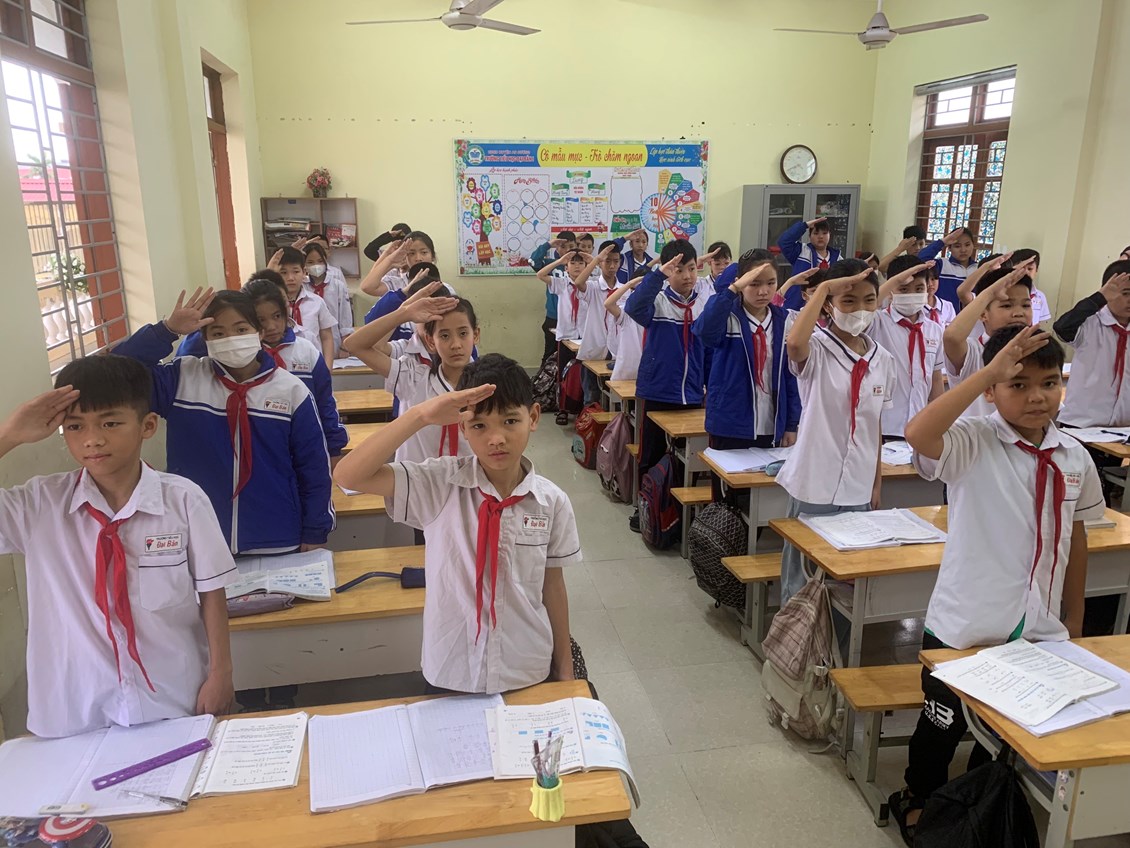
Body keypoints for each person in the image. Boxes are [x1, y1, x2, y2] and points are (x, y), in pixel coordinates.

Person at [888, 326, 1105, 845]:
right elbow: (918, 433)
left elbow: (1076, 541)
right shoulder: (973, 440)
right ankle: (919, 798)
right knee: (941, 726)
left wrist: (1074, 618)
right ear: (991, 391)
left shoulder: (1074, 456)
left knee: (1005, 733)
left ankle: (979, 803)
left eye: (1049, 383)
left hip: (1039, 631)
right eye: (1018, 385)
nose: (1037, 397)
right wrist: (988, 370)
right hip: (964, 625)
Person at [0, 355, 235, 737]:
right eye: (75, 426)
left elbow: (212, 592)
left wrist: (221, 674)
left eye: (110, 423)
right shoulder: (38, 506)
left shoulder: (183, 500)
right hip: (74, 711)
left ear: (147, 426)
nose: (92, 439)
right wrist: (8, 435)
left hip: (174, 697)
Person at [333, 354, 580, 694]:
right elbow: (349, 475)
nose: (496, 438)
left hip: (526, 666)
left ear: (534, 417)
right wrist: (420, 415)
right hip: (453, 669)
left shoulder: (551, 501)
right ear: (462, 428)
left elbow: (553, 586)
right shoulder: (439, 483)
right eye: (479, 426)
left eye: (510, 421)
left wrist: (565, 670)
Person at [112, 288, 335, 555]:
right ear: (205, 339)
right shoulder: (181, 379)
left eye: (241, 329)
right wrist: (167, 330)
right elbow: (117, 371)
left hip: (276, 536)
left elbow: (314, 467)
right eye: (218, 333)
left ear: (259, 332)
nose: (231, 339)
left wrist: (315, 529)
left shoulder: (291, 391)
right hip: (197, 538)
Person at [776, 259, 895, 604]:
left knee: (846, 576)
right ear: (829, 305)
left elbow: (874, 425)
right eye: (848, 300)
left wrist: (876, 482)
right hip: (815, 479)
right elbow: (794, 345)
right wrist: (826, 287)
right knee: (802, 573)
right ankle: (794, 633)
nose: (860, 309)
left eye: (869, 300)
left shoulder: (882, 359)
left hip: (859, 483)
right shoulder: (817, 347)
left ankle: (836, 637)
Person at [176, 277, 348, 461]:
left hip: (304, 443)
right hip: (260, 446)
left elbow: (325, 403)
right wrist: (195, 328)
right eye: (261, 319)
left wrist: (333, 448)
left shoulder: (307, 351)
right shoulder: (241, 355)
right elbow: (187, 356)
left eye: (277, 316)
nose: (271, 326)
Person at [695, 255, 800, 502]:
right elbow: (704, 332)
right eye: (754, 283)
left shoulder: (784, 320)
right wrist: (732, 291)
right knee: (727, 498)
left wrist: (791, 424)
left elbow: (791, 376)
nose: (763, 291)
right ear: (740, 282)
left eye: (771, 283)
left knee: (764, 498)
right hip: (731, 422)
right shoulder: (726, 315)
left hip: (771, 423)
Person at [624, 240, 706, 532]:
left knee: (687, 455)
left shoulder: (703, 304)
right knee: (651, 452)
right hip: (657, 389)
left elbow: (709, 349)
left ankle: (676, 511)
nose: (686, 276)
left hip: (692, 392)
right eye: (678, 270)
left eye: (691, 268)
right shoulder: (657, 301)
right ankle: (644, 506)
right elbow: (633, 307)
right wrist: (658, 274)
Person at [941, 260, 1036, 419]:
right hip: (975, 434)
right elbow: (951, 337)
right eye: (1007, 306)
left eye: (1026, 305)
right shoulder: (973, 351)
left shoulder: (1035, 349)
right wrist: (990, 293)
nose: (1018, 313)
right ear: (983, 314)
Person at [867, 256, 944, 438]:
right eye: (903, 289)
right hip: (884, 428)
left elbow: (936, 379)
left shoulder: (934, 329)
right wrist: (895, 280)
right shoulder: (876, 322)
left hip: (919, 428)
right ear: (890, 291)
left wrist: (939, 422)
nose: (912, 295)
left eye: (919, 289)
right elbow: (868, 306)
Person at [1056, 260, 1130, 428]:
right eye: (1125, 293)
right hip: (1082, 424)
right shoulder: (1090, 323)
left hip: (1123, 427)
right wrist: (1098, 298)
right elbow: (1062, 327)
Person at [536, 247, 606, 424]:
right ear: (566, 268)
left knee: (587, 374)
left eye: (580, 263)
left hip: (586, 338)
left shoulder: (592, 284)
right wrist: (560, 261)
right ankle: (563, 409)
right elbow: (541, 275)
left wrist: (593, 260)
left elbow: (608, 276)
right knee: (564, 374)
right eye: (572, 263)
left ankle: (585, 408)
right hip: (566, 337)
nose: (576, 266)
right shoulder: (561, 284)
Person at [271, 246, 336, 364]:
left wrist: (327, 368)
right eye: (283, 272)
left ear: (304, 272)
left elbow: (326, 336)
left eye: (296, 271)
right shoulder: (270, 305)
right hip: (281, 366)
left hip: (314, 364)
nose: (290, 278)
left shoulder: (316, 302)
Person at [577, 241, 622, 405]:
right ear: (600, 262)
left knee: (615, 398)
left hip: (616, 351)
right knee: (591, 397)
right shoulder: (594, 287)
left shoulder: (623, 290)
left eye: (616, 261)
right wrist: (596, 260)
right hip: (595, 350)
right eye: (607, 261)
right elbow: (578, 283)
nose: (612, 266)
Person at [530, 231, 577, 363]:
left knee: (572, 355)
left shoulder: (579, 267)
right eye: (563, 247)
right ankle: (544, 376)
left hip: (574, 320)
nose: (567, 250)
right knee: (550, 354)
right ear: (557, 249)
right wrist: (548, 244)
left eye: (571, 246)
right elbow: (533, 261)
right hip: (554, 318)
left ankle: (568, 377)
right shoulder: (551, 265)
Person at [777, 216, 842, 311]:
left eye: (824, 233)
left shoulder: (838, 259)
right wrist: (804, 225)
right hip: (796, 306)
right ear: (809, 236)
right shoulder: (801, 251)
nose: (820, 236)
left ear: (830, 235)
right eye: (816, 233)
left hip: (825, 309)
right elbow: (784, 242)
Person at [304, 242, 353, 355]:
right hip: (309, 342)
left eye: (320, 261)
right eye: (310, 262)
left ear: (326, 261)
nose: (316, 265)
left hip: (334, 341)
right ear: (304, 265)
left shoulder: (337, 286)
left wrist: (344, 347)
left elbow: (345, 318)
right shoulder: (302, 286)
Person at [358, 231, 437, 299]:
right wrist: (389, 258)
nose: (418, 258)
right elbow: (367, 287)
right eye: (412, 253)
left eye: (424, 252)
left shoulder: (442, 286)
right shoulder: (396, 284)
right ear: (405, 257)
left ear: (433, 256)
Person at [918, 226, 977, 311]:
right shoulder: (941, 265)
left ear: (973, 245)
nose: (963, 250)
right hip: (944, 316)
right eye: (957, 246)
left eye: (967, 245)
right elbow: (921, 259)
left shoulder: (979, 269)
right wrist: (943, 242)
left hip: (972, 317)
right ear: (949, 248)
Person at [605, 267, 648, 383]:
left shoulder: (659, 309)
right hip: (627, 373)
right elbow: (608, 304)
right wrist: (630, 284)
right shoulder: (627, 311)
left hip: (649, 372)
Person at [1009, 248, 1052, 324]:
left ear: (1036, 270)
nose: (1025, 272)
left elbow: (1040, 323)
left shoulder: (1040, 296)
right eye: (1021, 268)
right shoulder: (1005, 293)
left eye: (1030, 269)